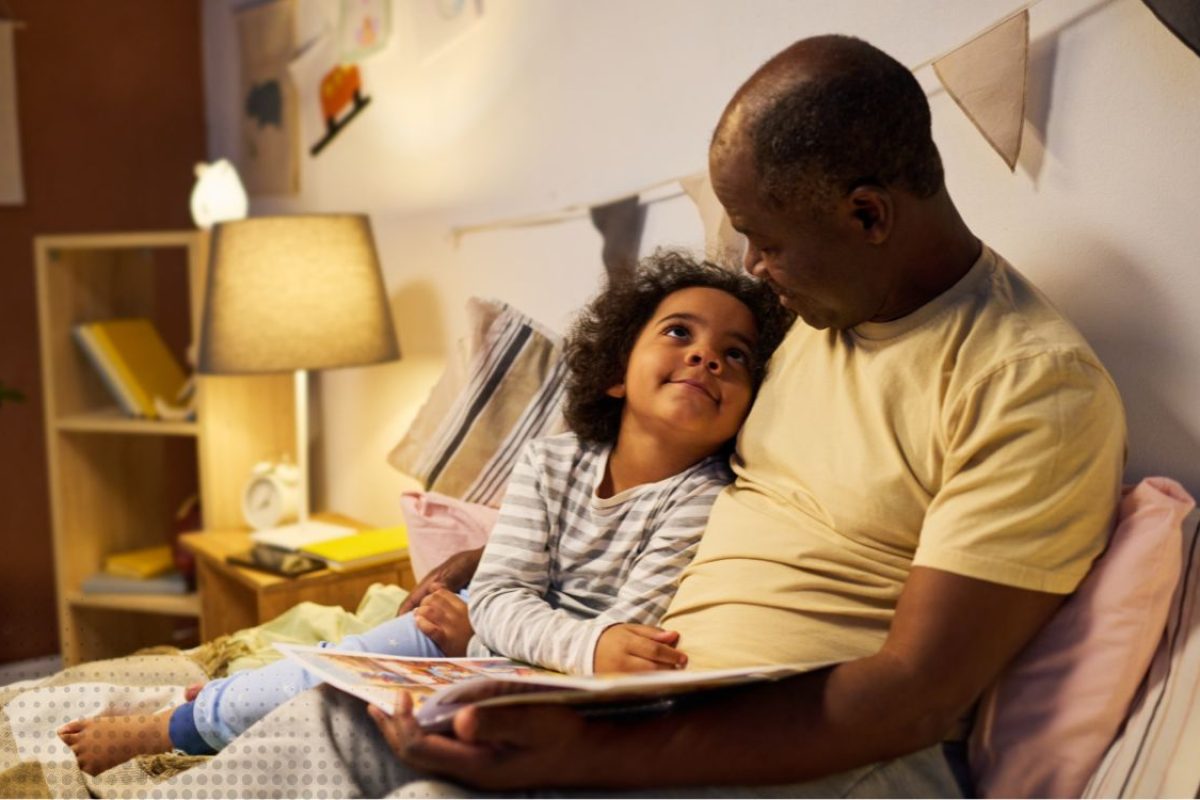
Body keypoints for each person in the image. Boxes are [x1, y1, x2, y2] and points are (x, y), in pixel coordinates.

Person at [147, 33, 1126, 799]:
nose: (750, 270)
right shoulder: (812, 319)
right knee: (335, 726)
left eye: (766, 239)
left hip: (832, 756)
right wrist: (492, 567)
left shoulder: (1029, 385)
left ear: (868, 217)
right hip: (639, 697)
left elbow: (916, 697)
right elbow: (646, 466)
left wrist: (582, 749)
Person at [58, 251, 793, 777]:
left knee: (370, 699)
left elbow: (626, 637)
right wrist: (517, 628)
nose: (707, 359)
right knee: (344, 665)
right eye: (679, 333)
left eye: (736, 355)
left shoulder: (704, 497)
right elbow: (510, 593)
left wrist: (502, 633)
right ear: (612, 374)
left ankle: (214, 706)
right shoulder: (548, 461)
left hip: (530, 670)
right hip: (488, 630)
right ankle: (175, 725)